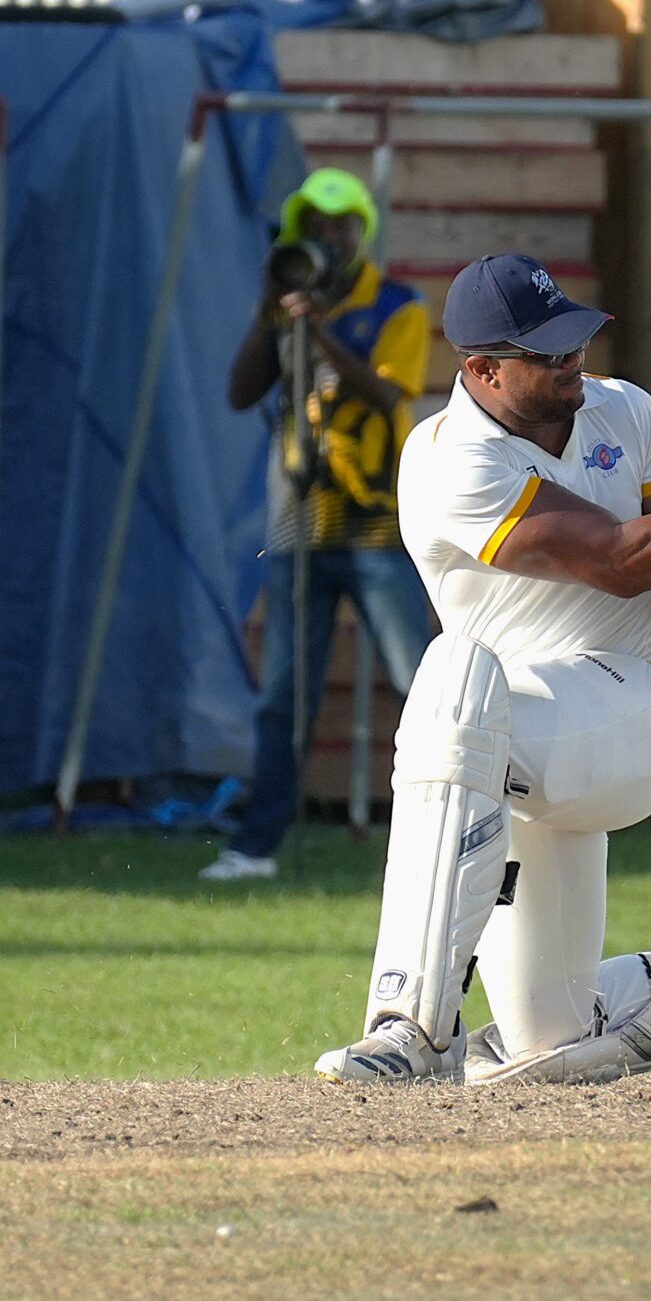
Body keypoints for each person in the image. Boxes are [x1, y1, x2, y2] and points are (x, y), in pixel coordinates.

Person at [315, 253, 651, 1085]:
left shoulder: (625, 413)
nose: (571, 358)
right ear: (481, 370)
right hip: (514, 752)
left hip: (631, 710)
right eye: (546, 353)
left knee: (454, 681)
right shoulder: (450, 463)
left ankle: (411, 1027)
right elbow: (617, 558)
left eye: (573, 338)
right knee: (552, 1032)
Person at [204, 168, 434, 881]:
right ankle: (254, 848)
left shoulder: (398, 305)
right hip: (302, 524)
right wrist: (271, 315)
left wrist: (318, 332)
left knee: (423, 683)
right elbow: (241, 393)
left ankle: (459, 833)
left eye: (339, 226)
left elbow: (385, 390)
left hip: (378, 523)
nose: (327, 239)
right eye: (314, 226)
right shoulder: (289, 302)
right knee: (283, 699)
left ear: (361, 231)